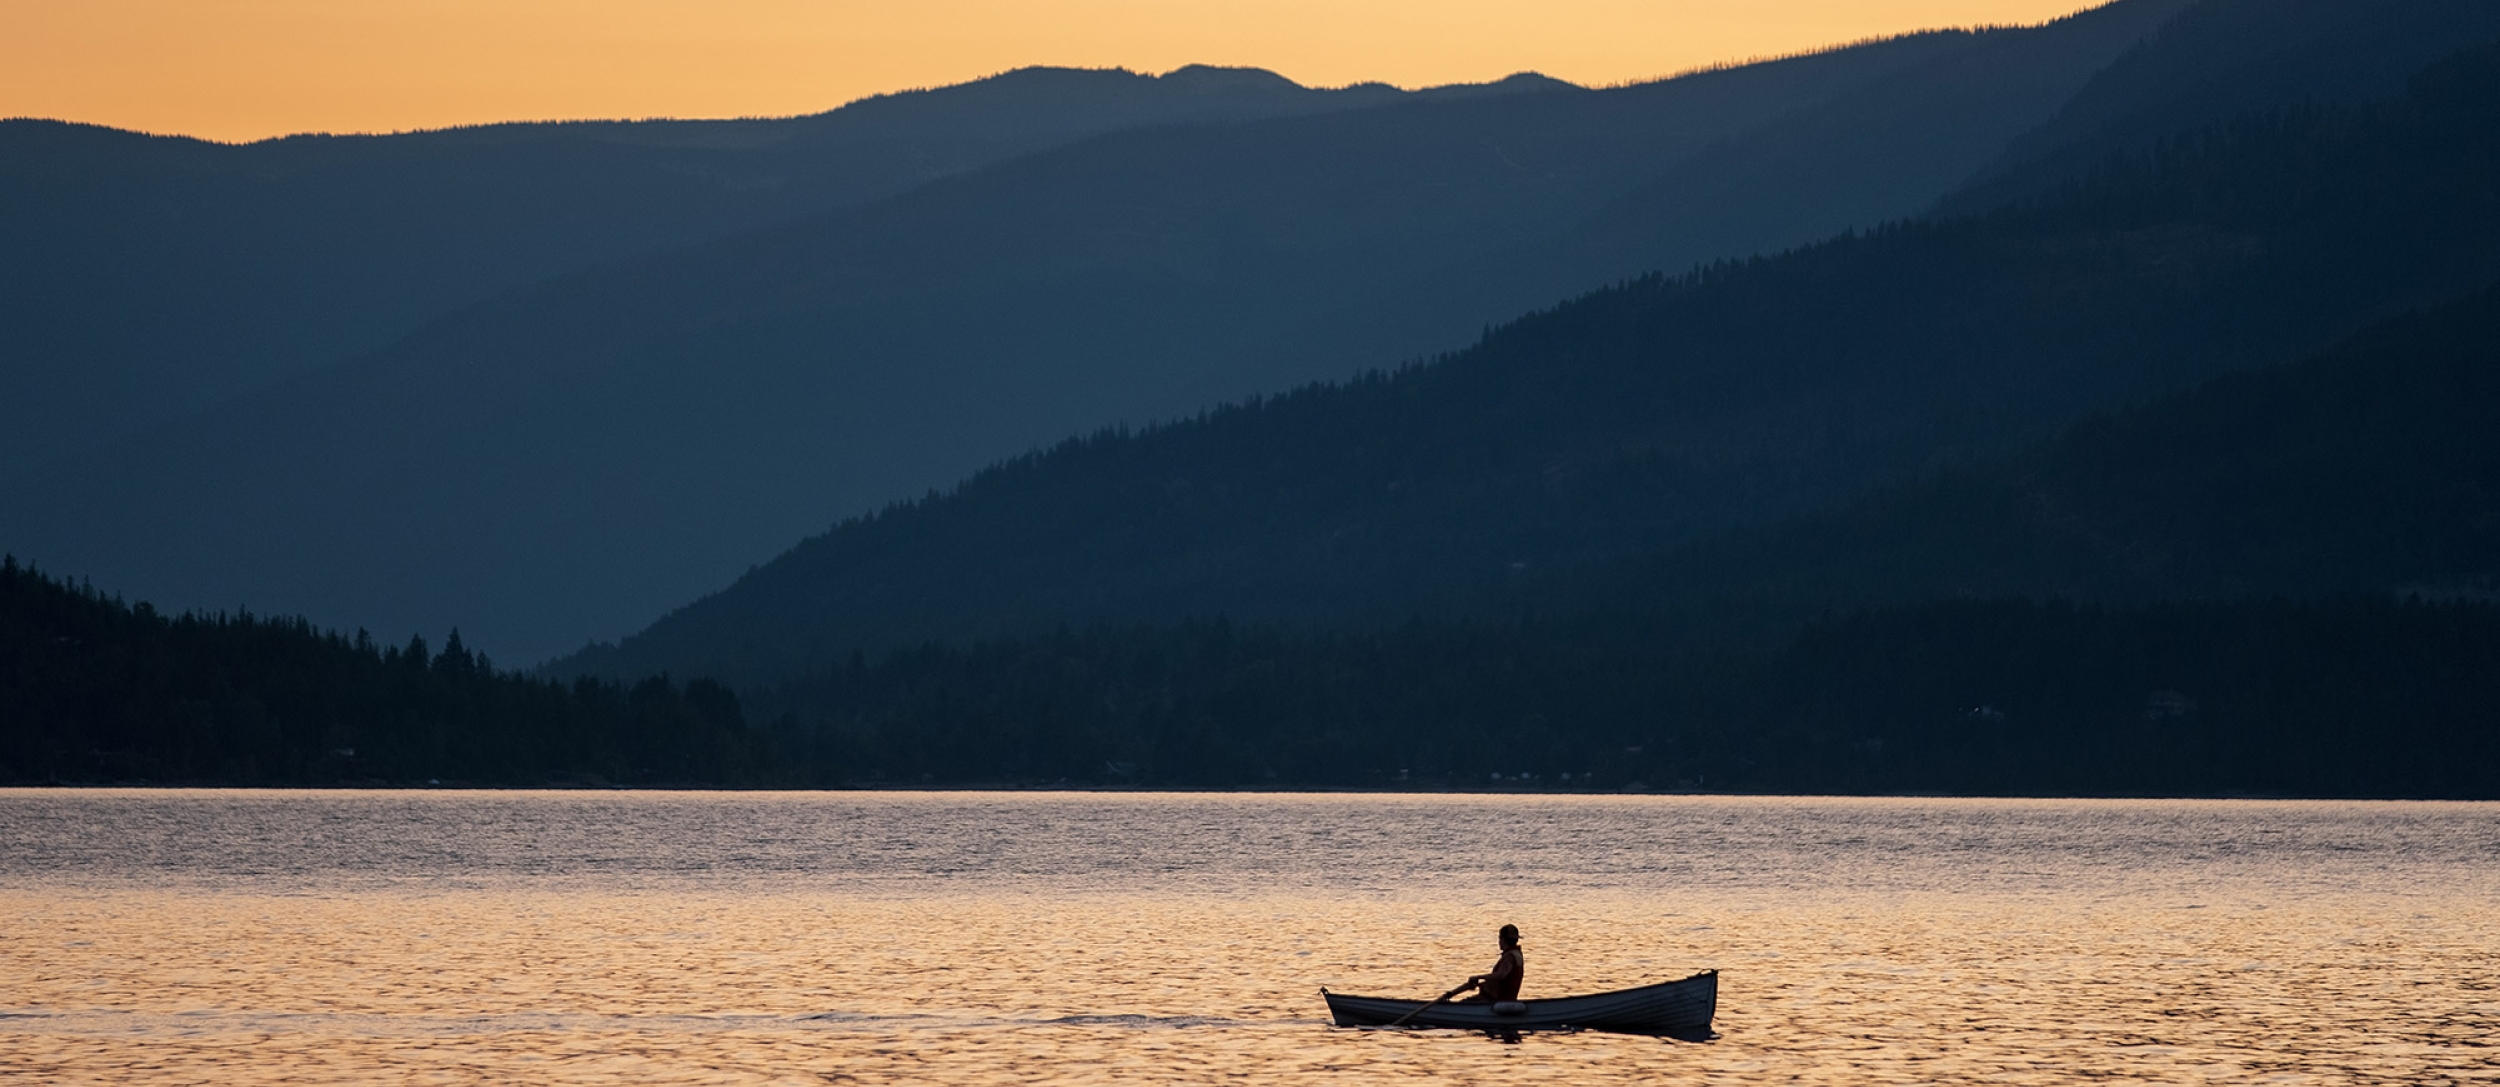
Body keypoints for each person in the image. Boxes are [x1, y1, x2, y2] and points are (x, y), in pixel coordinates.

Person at [1459, 923, 1525, 1003]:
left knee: (1465, 1002)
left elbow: (1500, 975)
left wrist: (1479, 977)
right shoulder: (1517, 954)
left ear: (1503, 940)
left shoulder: (1509, 957)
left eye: (1499, 938)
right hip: (1508, 998)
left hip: (1499, 999)